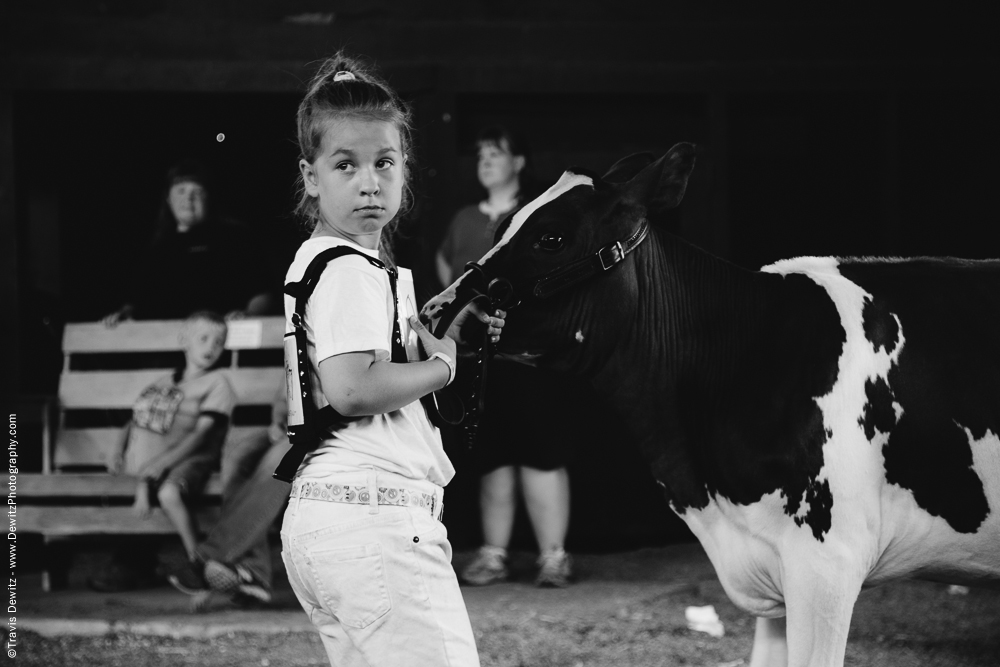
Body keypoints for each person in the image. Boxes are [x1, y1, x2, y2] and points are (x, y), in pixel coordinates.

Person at [278, 53, 504, 666]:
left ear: (405, 169)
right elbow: (351, 389)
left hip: (327, 519)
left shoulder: (324, 261)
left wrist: (435, 332)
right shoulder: (349, 267)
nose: (369, 182)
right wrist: (443, 367)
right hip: (372, 522)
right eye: (345, 165)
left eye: (385, 162)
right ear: (310, 176)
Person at [437, 126, 576, 588]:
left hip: (531, 356)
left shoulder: (536, 216)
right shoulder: (462, 221)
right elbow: (446, 279)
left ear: (519, 162)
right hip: (479, 360)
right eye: (481, 153)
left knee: (541, 456)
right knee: (492, 458)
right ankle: (494, 556)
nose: (486, 160)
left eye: (496, 152)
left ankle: (552, 558)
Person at [91, 311, 235, 591]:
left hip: (188, 459)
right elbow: (136, 420)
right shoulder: (164, 382)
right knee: (134, 490)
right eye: (203, 339)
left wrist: (163, 462)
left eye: (219, 342)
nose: (211, 347)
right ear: (184, 340)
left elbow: (201, 433)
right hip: (148, 463)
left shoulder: (218, 383)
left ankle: (198, 562)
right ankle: (135, 567)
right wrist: (117, 448)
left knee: (167, 491)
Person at [102, 161, 279, 325]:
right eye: (181, 190)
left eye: (198, 191)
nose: (189, 199)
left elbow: (262, 294)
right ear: (168, 198)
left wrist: (248, 316)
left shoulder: (236, 238)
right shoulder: (155, 249)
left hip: (218, 348)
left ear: (209, 198)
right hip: (161, 350)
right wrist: (122, 316)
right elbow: (135, 301)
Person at [166, 386, 291, 605]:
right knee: (236, 458)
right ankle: (252, 574)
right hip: (293, 428)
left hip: (329, 429)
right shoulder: (298, 350)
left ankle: (209, 556)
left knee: (277, 462)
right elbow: (283, 398)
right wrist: (277, 422)